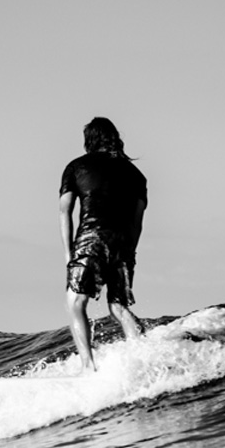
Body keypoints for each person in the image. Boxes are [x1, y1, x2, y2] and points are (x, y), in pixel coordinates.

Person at [58, 117, 148, 372]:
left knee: (76, 303)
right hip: (124, 244)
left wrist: (69, 255)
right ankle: (144, 357)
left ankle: (88, 366)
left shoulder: (76, 167)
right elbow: (137, 222)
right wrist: (128, 252)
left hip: (91, 239)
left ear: (90, 140)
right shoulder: (136, 175)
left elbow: (65, 211)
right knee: (119, 307)